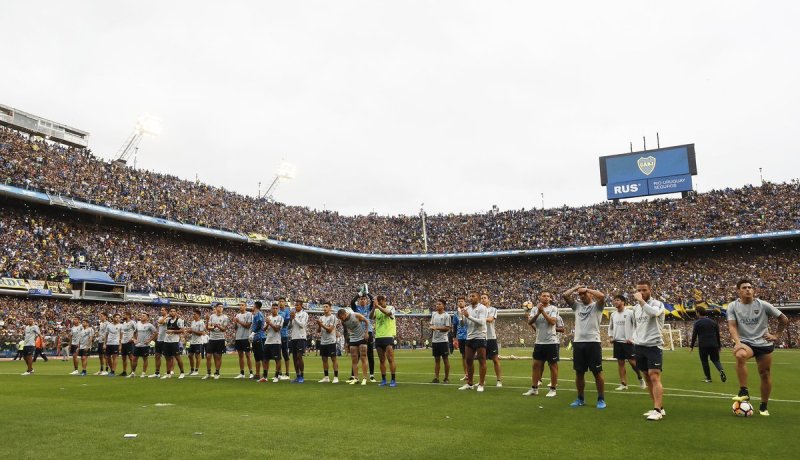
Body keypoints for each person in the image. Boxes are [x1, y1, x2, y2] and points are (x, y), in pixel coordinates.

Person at [728, 279, 789, 416]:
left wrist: (777, 335)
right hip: (745, 342)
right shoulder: (733, 306)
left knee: (765, 374)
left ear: (753, 290)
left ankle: (763, 405)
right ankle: (743, 391)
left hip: (763, 343)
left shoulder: (763, 305)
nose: (748, 289)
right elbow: (732, 326)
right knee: (740, 355)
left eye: (750, 287)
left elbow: (784, 319)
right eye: (744, 287)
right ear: (739, 291)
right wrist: (737, 342)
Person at [562, 285, 607, 408]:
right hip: (578, 343)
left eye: (584, 294)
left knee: (597, 372)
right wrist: (577, 287)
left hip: (593, 342)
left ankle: (601, 399)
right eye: (580, 295)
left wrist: (587, 289)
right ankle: (580, 398)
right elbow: (565, 295)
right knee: (579, 373)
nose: (582, 296)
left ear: (590, 294)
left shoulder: (597, 306)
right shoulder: (577, 306)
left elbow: (602, 296)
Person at [632, 281, 667, 421]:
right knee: (646, 377)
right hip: (639, 345)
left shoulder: (657, 304)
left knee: (654, 376)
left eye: (644, 290)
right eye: (639, 290)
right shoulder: (635, 308)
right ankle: (658, 407)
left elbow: (653, 314)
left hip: (654, 345)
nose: (641, 292)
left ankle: (657, 410)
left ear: (650, 290)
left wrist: (641, 301)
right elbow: (637, 325)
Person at [523, 291, 559, 397]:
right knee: (535, 365)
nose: (546, 298)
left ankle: (553, 389)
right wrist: (538, 313)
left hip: (551, 342)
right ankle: (534, 388)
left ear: (550, 298)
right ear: (540, 297)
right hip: (539, 342)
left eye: (548, 296)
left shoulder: (554, 309)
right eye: (544, 296)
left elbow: (552, 322)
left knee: (553, 366)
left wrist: (542, 311)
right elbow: (530, 322)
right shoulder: (534, 309)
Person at [609, 295, 645, 390]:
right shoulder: (613, 315)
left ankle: (640, 378)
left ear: (623, 302)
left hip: (628, 342)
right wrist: (611, 337)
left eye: (617, 300)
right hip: (617, 342)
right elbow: (611, 327)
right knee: (620, 363)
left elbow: (637, 326)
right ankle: (623, 384)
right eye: (614, 300)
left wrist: (633, 338)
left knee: (632, 362)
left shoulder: (630, 313)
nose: (615, 302)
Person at [458, 291, 488, 392]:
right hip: (469, 337)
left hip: (480, 336)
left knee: (481, 360)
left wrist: (468, 316)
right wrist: (460, 316)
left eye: (473, 296)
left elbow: (481, 322)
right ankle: (470, 383)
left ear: (478, 298)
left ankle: (481, 384)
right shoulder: (467, 309)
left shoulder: (482, 308)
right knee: (469, 360)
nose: (471, 298)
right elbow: (463, 325)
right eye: (470, 296)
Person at [690, 306, 726, 383]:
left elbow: (694, 335)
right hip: (714, 344)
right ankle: (721, 370)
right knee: (716, 360)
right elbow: (717, 335)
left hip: (703, 345)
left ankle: (708, 378)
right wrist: (719, 346)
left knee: (704, 361)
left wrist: (691, 346)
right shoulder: (713, 322)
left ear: (698, 313)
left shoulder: (697, 323)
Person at [336, 306, 370, 385]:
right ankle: (356, 378)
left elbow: (366, 321)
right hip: (352, 339)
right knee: (354, 359)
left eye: (342, 317)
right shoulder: (343, 321)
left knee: (363, 357)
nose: (341, 319)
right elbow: (345, 332)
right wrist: (346, 342)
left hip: (361, 337)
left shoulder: (355, 315)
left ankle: (364, 378)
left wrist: (366, 332)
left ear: (344, 314)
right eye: (340, 318)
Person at [350, 287, 376, 382]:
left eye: (364, 299)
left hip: (367, 332)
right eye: (361, 299)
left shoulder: (368, 308)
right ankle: (353, 376)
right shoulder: (356, 308)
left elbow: (373, 300)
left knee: (370, 354)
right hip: (358, 333)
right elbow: (352, 302)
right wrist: (359, 294)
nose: (362, 300)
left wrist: (368, 293)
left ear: (366, 301)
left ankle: (372, 375)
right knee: (356, 355)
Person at [371, 294, 397, 387]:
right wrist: (374, 308)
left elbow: (388, 313)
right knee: (382, 360)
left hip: (388, 336)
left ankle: (393, 380)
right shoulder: (377, 310)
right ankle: (384, 380)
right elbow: (370, 317)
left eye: (378, 301)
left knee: (390, 359)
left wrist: (377, 306)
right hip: (378, 337)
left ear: (382, 300)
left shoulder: (391, 308)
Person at [481, 293, 503, 387]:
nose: (483, 299)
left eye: (484, 298)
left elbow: (490, 319)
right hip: (481, 337)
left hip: (491, 338)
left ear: (488, 300)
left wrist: (478, 319)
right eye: (481, 298)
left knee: (495, 359)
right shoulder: (478, 310)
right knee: (482, 360)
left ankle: (499, 380)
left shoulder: (493, 309)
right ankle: (482, 380)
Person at [204, 303, 230, 380]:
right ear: (216, 308)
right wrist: (212, 325)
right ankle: (208, 373)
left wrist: (217, 326)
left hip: (220, 339)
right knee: (208, 356)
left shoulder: (225, 317)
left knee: (218, 356)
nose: (221, 308)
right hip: (212, 339)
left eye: (222, 307)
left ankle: (217, 372)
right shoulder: (212, 316)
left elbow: (224, 329)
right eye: (219, 307)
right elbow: (208, 328)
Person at [429, 299, 451, 384]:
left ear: (443, 306)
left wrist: (436, 328)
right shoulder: (434, 314)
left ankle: (446, 378)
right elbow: (431, 324)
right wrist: (431, 327)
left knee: (445, 359)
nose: (437, 305)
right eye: (437, 304)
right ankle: (436, 378)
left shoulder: (446, 316)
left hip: (443, 341)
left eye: (439, 304)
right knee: (437, 360)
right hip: (435, 341)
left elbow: (447, 328)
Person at [317, 301, 339, 383]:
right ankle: (326, 377)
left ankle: (336, 377)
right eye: (324, 306)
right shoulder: (321, 318)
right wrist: (319, 326)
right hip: (323, 341)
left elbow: (330, 330)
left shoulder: (333, 317)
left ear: (330, 308)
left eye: (326, 306)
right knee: (324, 359)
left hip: (331, 341)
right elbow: (318, 331)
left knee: (333, 358)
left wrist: (321, 325)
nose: (325, 308)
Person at [231, 302, 254, 379]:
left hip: (246, 337)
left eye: (242, 305)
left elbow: (248, 325)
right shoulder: (237, 315)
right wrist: (235, 323)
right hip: (238, 337)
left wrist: (239, 321)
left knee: (248, 355)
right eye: (240, 305)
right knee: (240, 355)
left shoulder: (249, 314)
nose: (240, 306)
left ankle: (251, 372)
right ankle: (242, 373)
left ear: (245, 306)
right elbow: (236, 328)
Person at [130, 312, 156, 378]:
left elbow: (156, 333)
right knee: (134, 359)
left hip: (145, 345)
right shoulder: (137, 324)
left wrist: (150, 340)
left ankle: (143, 373)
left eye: (143, 316)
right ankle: (133, 373)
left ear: (147, 318)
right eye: (141, 315)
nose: (141, 316)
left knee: (145, 359)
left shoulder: (150, 325)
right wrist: (134, 339)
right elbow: (134, 332)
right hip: (137, 345)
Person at [162, 308, 186, 379]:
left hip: (174, 342)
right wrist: (166, 316)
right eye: (171, 311)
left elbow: (182, 330)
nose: (172, 312)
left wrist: (172, 331)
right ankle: (168, 373)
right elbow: (160, 322)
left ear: (176, 313)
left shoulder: (179, 320)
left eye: (174, 311)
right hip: (166, 341)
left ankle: (182, 373)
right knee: (167, 358)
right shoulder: (168, 320)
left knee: (177, 357)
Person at [264, 302, 285, 382]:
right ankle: (265, 377)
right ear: (271, 309)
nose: (275, 310)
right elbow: (264, 329)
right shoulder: (268, 317)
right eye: (273, 308)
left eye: (276, 308)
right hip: (268, 341)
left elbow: (277, 329)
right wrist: (267, 324)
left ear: (278, 310)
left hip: (276, 341)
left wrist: (270, 323)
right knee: (266, 359)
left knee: (277, 360)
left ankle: (276, 376)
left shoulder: (280, 318)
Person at [289, 300, 309, 383]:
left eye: (297, 305)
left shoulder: (304, 314)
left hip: (301, 337)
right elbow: (290, 327)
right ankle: (297, 375)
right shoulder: (294, 315)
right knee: (294, 357)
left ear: (301, 306)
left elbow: (302, 325)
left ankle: (302, 375)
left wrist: (295, 318)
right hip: (293, 337)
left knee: (299, 356)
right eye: (295, 305)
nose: (296, 307)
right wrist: (291, 319)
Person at [250, 301, 267, 380]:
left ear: (255, 306)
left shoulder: (259, 314)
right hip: (256, 337)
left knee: (262, 356)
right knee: (257, 357)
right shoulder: (256, 314)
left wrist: (253, 332)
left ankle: (264, 374)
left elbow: (260, 323)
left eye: (253, 305)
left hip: (260, 337)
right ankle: (257, 374)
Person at [187, 310, 206, 376]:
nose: (193, 315)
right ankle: (192, 370)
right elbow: (192, 331)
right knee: (190, 355)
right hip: (193, 341)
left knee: (197, 356)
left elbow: (201, 333)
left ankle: (196, 370)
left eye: (194, 314)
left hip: (198, 342)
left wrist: (192, 331)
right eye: (193, 314)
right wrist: (189, 331)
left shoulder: (201, 323)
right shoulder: (193, 322)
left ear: (198, 315)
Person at [151, 307, 168, 378]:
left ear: (166, 311)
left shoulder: (168, 318)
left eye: (163, 310)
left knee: (168, 357)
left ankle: (168, 372)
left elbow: (161, 322)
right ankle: (157, 372)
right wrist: (154, 338)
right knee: (157, 356)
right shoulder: (160, 318)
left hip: (166, 340)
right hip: (159, 339)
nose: (161, 311)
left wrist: (167, 315)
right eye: (161, 310)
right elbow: (158, 328)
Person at [454, 296, 469, 381]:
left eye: (462, 301)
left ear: (465, 302)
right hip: (460, 337)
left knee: (470, 356)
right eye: (459, 301)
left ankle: (471, 374)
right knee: (463, 356)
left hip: (469, 336)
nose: (460, 302)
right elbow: (455, 326)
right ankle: (466, 374)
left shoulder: (468, 311)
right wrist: (454, 338)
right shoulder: (456, 313)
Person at [278, 297, 292, 381]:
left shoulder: (287, 311)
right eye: (280, 301)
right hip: (276, 335)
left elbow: (286, 323)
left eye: (282, 301)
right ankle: (279, 373)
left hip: (284, 335)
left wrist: (277, 322)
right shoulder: (277, 311)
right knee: (278, 355)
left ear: (285, 303)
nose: (281, 303)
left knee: (285, 354)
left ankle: (287, 373)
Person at [120, 311, 137, 377]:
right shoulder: (124, 323)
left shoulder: (132, 322)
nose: (123, 316)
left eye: (124, 314)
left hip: (130, 342)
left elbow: (136, 330)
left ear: (128, 315)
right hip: (124, 342)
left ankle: (132, 372)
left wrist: (133, 338)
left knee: (131, 357)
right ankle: (124, 371)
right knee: (123, 358)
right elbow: (122, 332)